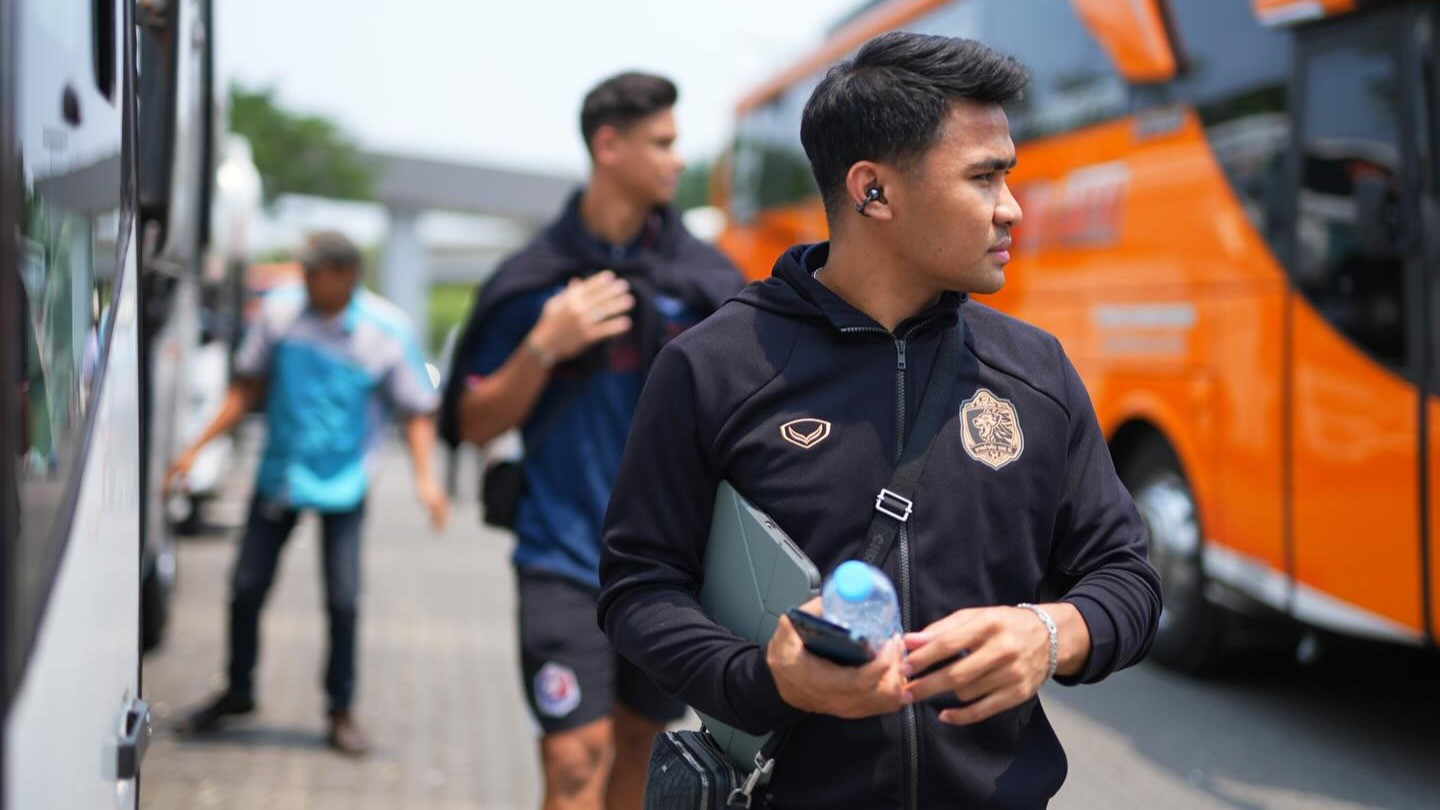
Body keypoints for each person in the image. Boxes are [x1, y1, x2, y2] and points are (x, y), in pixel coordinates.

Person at [597, 33, 1162, 808]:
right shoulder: (712, 365)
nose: (1013, 207)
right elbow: (638, 588)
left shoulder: (1036, 371)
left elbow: (1128, 577)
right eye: (984, 177)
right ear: (874, 192)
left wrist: (1054, 633)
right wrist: (765, 680)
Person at [439, 72, 742, 810]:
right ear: (608, 145)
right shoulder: (533, 280)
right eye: (662, 144)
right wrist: (545, 345)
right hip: (561, 555)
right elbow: (472, 422)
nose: (677, 161)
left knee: (637, 753)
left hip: (668, 566)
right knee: (577, 758)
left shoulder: (704, 279)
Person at [170, 231, 448, 756]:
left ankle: (340, 709)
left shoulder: (386, 331)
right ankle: (238, 689)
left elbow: (416, 411)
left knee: (343, 601)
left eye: (313, 273)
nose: (303, 282)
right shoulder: (278, 315)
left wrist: (427, 482)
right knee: (246, 588)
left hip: (345, 482)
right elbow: (247, 386)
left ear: (346, 275)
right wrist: (196, 446)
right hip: (281, 474)